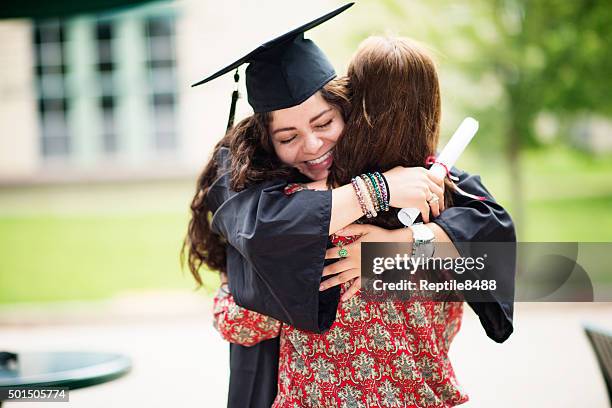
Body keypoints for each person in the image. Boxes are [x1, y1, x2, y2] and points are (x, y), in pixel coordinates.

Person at [184, 4, 515, 407]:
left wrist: (398, 249)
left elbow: (488, 232)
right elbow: (260, 250)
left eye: (324, 124)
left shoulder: (421, 181)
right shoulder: (248, 187)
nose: (312, 145)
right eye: (288, 138)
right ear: (265, 142)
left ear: (349, 112)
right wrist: (377, 191)